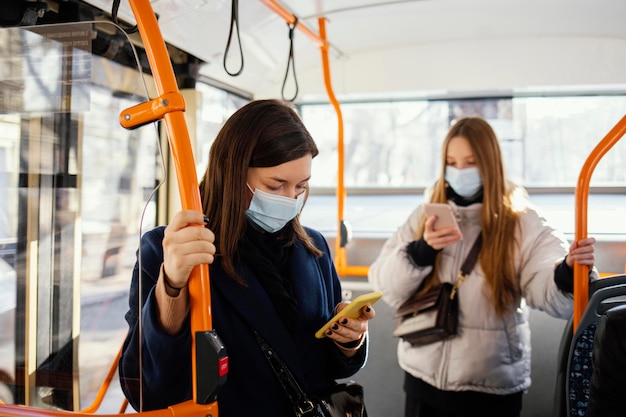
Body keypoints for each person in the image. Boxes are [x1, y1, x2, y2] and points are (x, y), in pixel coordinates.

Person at [119, 99, 375, 416]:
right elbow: (147, 388)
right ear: (232, 172)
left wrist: (349, 340)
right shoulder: (172, 249)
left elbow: (323, 368)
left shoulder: (314, 248)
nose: (289, 200)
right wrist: (172, 284)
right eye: (275, 185)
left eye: (300, 187)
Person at [368, 116, 597, 417]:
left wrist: (565, 272)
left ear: (490, 163)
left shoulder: (523, 222)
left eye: (471, 162)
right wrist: (421, 252)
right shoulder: (425, 217)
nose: (459, 171)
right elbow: (384, 285)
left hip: (490, 387)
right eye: (451, 162)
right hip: (423, 377)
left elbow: (548, 291)